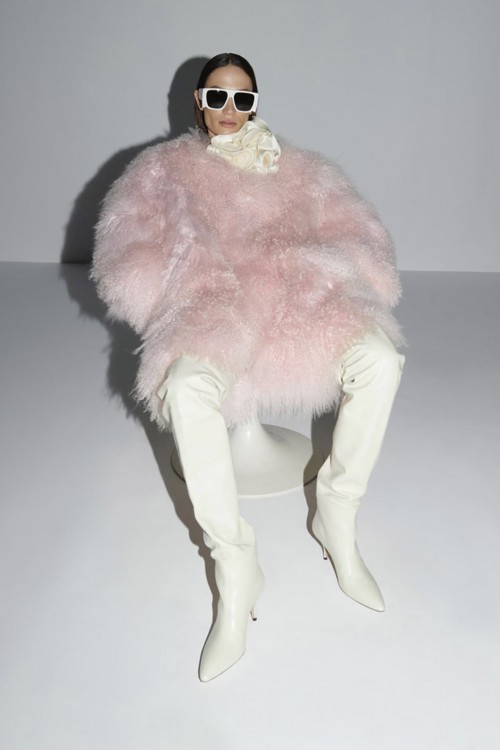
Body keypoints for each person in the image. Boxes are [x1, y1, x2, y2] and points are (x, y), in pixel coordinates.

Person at [91, 52, 405, 682]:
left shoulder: (300, 168)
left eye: (243, 99)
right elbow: (122, 252)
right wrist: (177, 290)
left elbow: (360, 229)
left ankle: (337, 516)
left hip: (300, 304)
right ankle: (235, 565)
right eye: (217, 97)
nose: (230, 110)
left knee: (380, 358)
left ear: (256, 103)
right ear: (198, 102)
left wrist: (333, 270)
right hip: (215, 308)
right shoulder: (160, 172)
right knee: (185, 387)